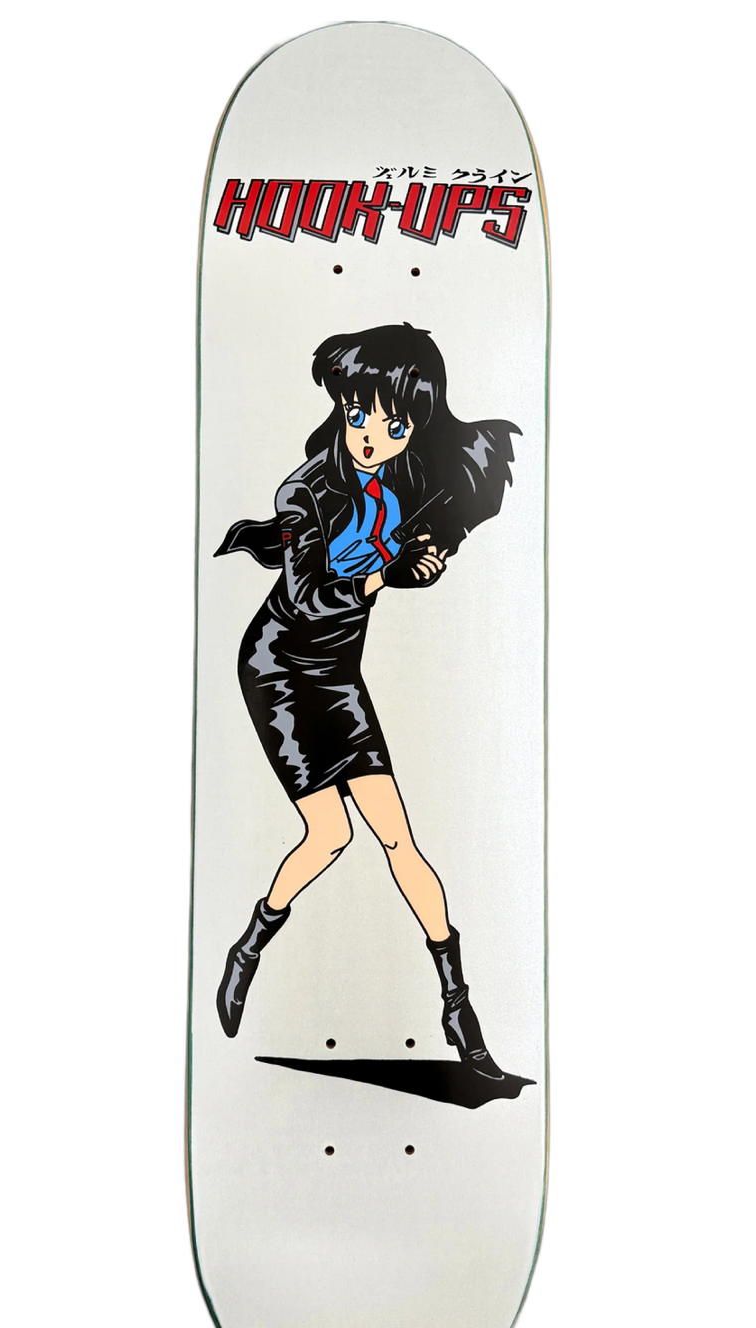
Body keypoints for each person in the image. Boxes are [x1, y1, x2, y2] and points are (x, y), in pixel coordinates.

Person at [213, 322, 520, 1080]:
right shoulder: (303, 492)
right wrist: (386, 574)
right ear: (341, 407)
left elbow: (423, 543)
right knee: (329, 835)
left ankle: (457, 1007)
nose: (371, 436)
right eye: (359, 416)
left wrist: (427, 561)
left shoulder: (407, 482)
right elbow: (309, 596)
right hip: (280, 667)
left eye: (394, 425)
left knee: (396, 837)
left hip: (338, 671)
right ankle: (249, 945)